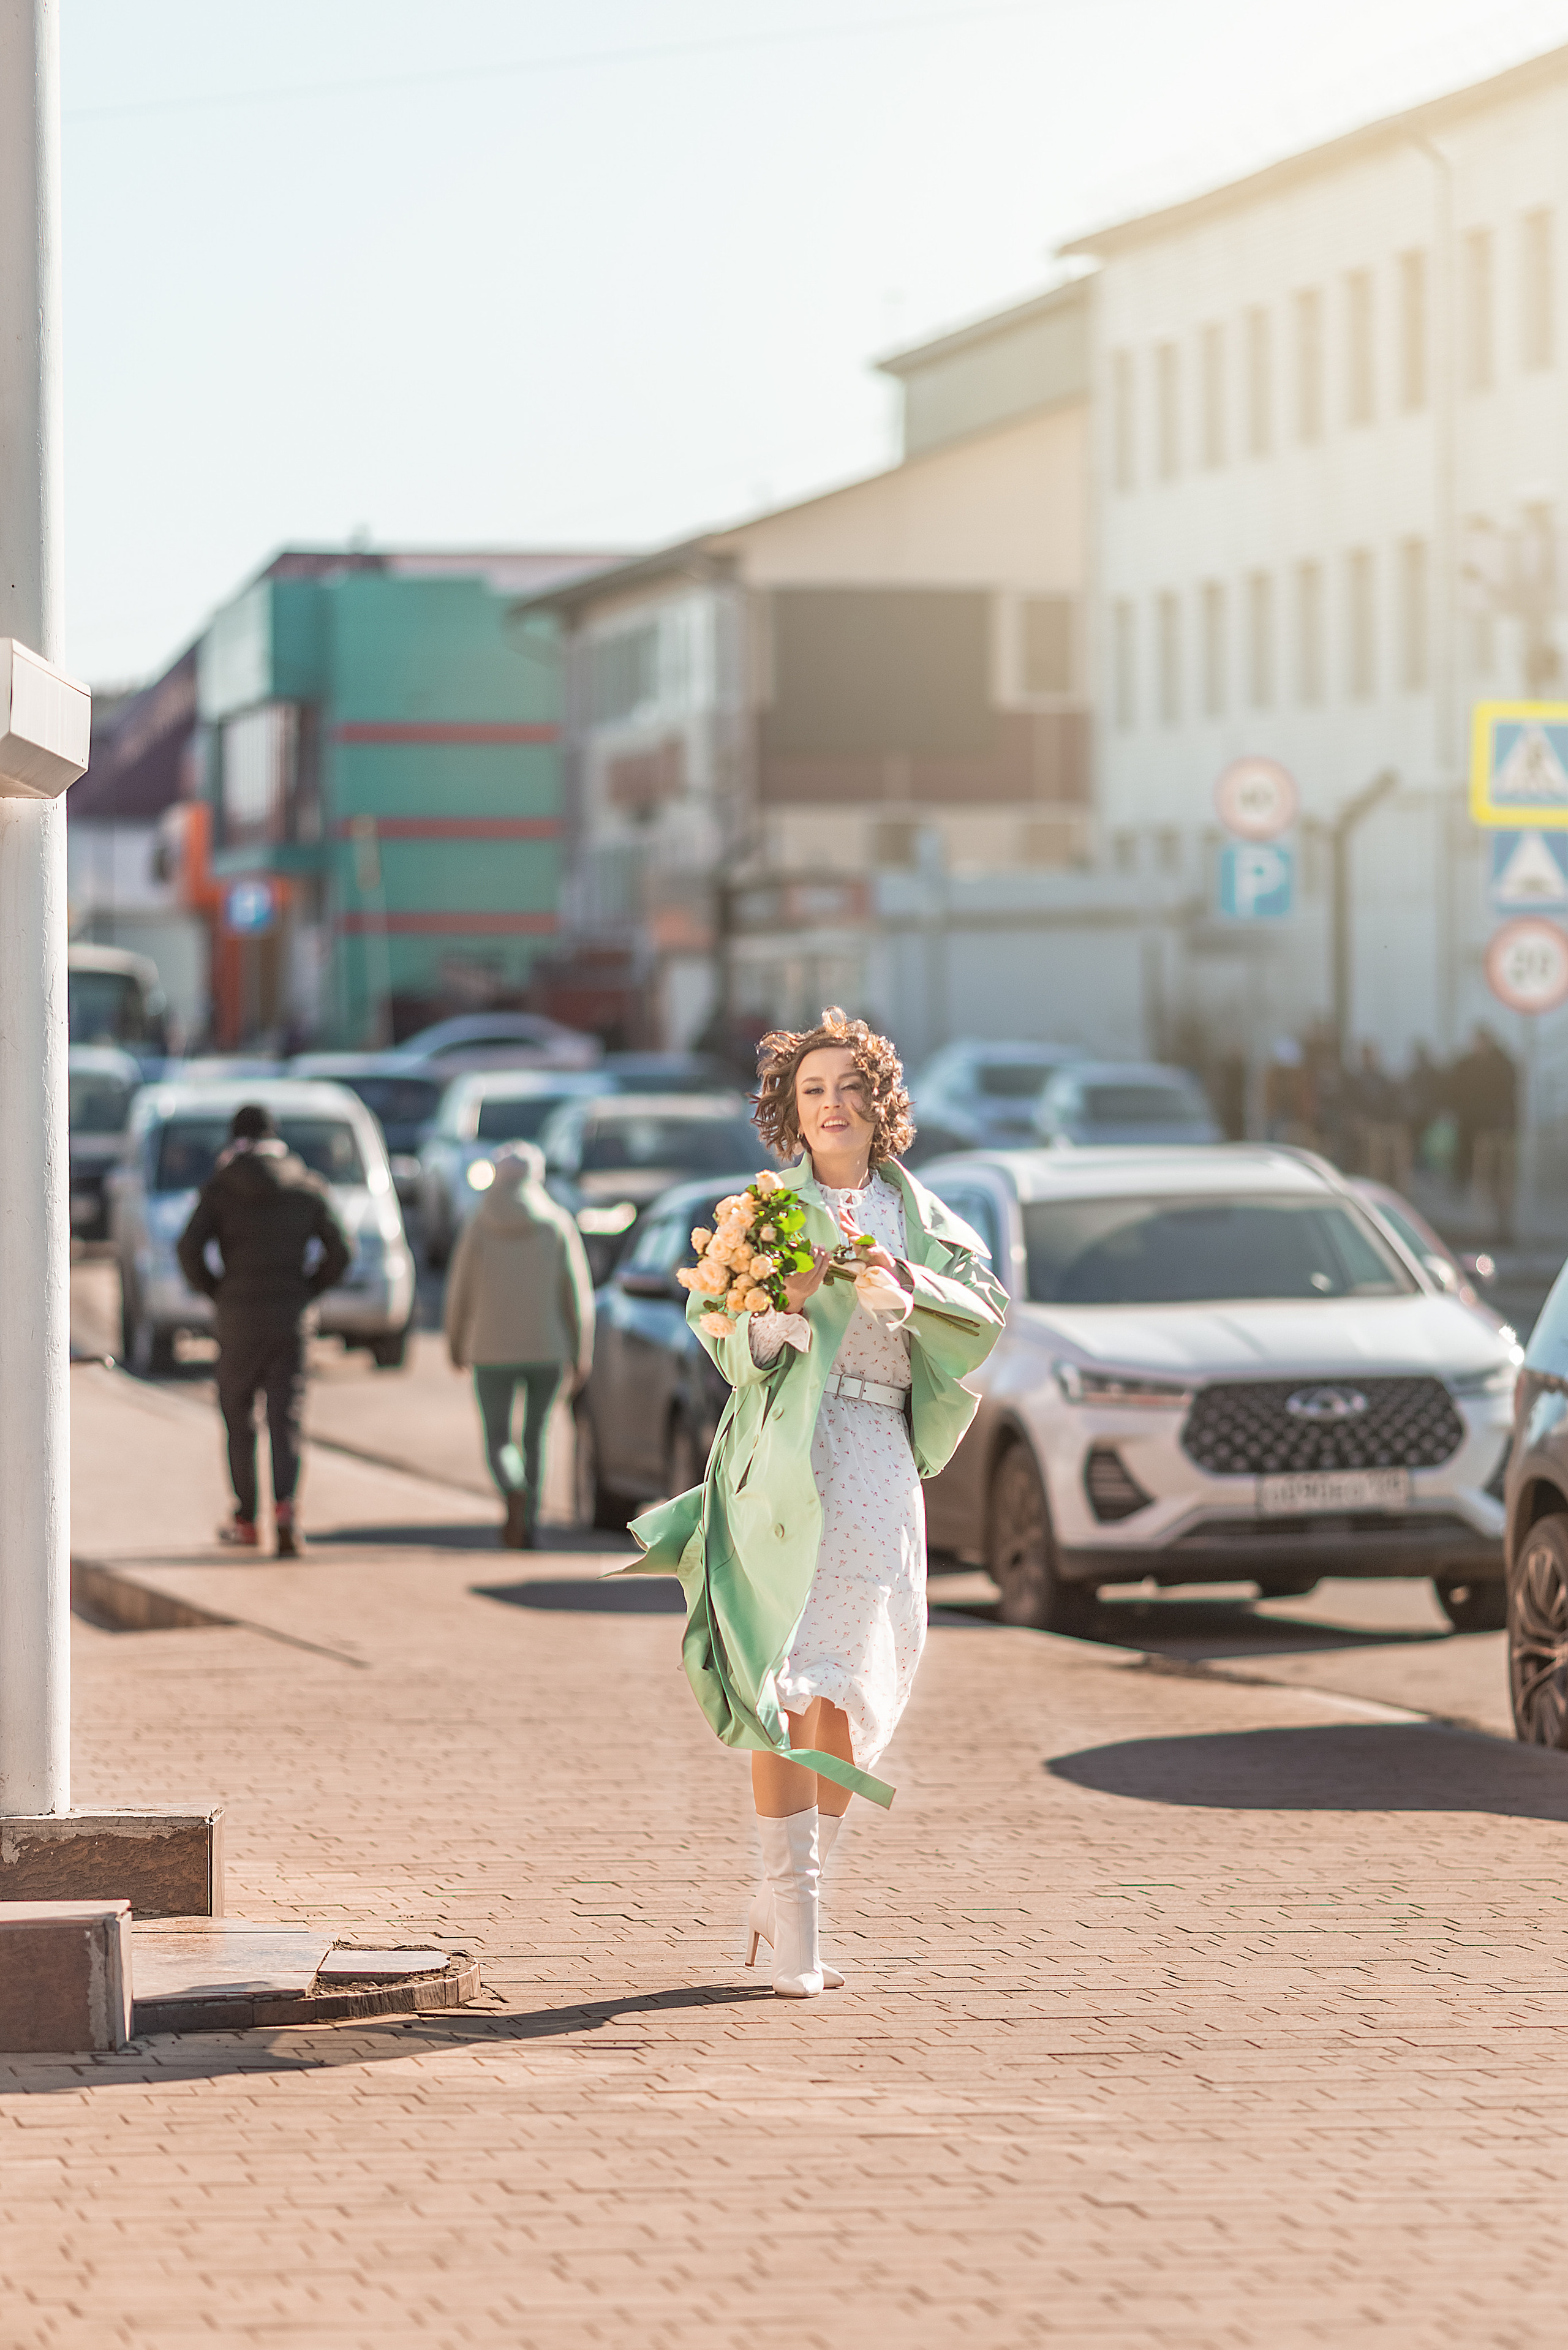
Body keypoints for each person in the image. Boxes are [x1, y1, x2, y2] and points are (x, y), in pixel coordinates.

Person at [627, 1008, 1006, 1999]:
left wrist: (907, 1287)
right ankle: (789, 1911)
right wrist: (778, 1319)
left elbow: (984, 1317)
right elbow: (718, 1330)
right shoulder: (766, 1212)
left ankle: (800, 1894)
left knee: (847, 1691)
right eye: (812, 1091)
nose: (833, 1105)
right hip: (787, 1460)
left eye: (849, 1088)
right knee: (789, 1684)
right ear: (788, 1114)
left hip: (878, 1458)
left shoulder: (922, 1217)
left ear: (880, 1105)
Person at [176, 1103, 350, 1557]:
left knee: (238, 1417)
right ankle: (286, 1509)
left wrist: (217, 1290)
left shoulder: (221, 1187)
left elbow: (188, 1248)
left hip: (237, 1316)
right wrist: (309, 1287)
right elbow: (342, 1249)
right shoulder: (307, 1185)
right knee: (286, 1416)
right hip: (290, 1316)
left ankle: (246, 1517)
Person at [443, 1141, 595, 1548]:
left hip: (489, 1350)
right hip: (548, 1348)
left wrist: (455, 1343)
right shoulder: (556, 1222)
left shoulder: (478, 1222)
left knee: (498, 1437)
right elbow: (576, 1293)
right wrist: (581, 1351)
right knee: (537, 1435)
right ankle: (528, 1522)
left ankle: (512, 1487)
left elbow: (458, 1291)